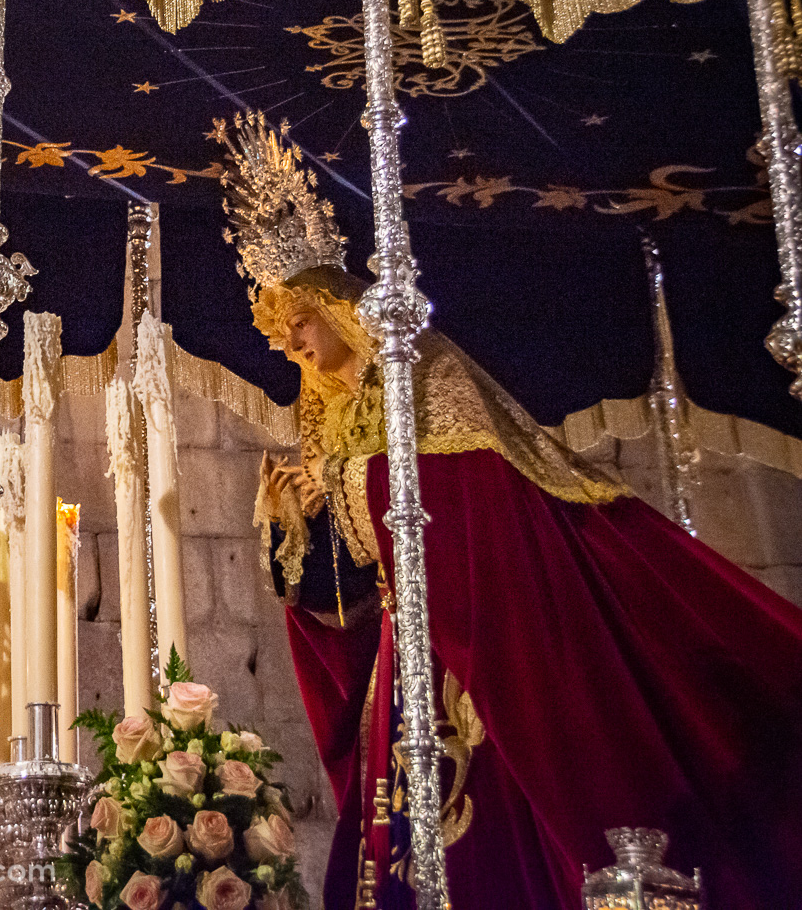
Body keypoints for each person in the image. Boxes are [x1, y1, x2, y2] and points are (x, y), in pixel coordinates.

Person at [213, 111, 802, 908]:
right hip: (399, 658)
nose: (290, 344)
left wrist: (351, 480)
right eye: (279, 333)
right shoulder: (330, 419)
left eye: (298, 321)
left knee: (491, 832)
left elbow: (470, 488)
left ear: (338, 304)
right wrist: (292, 527)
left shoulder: (423, 373)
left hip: (472, 645)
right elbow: (349, 590)